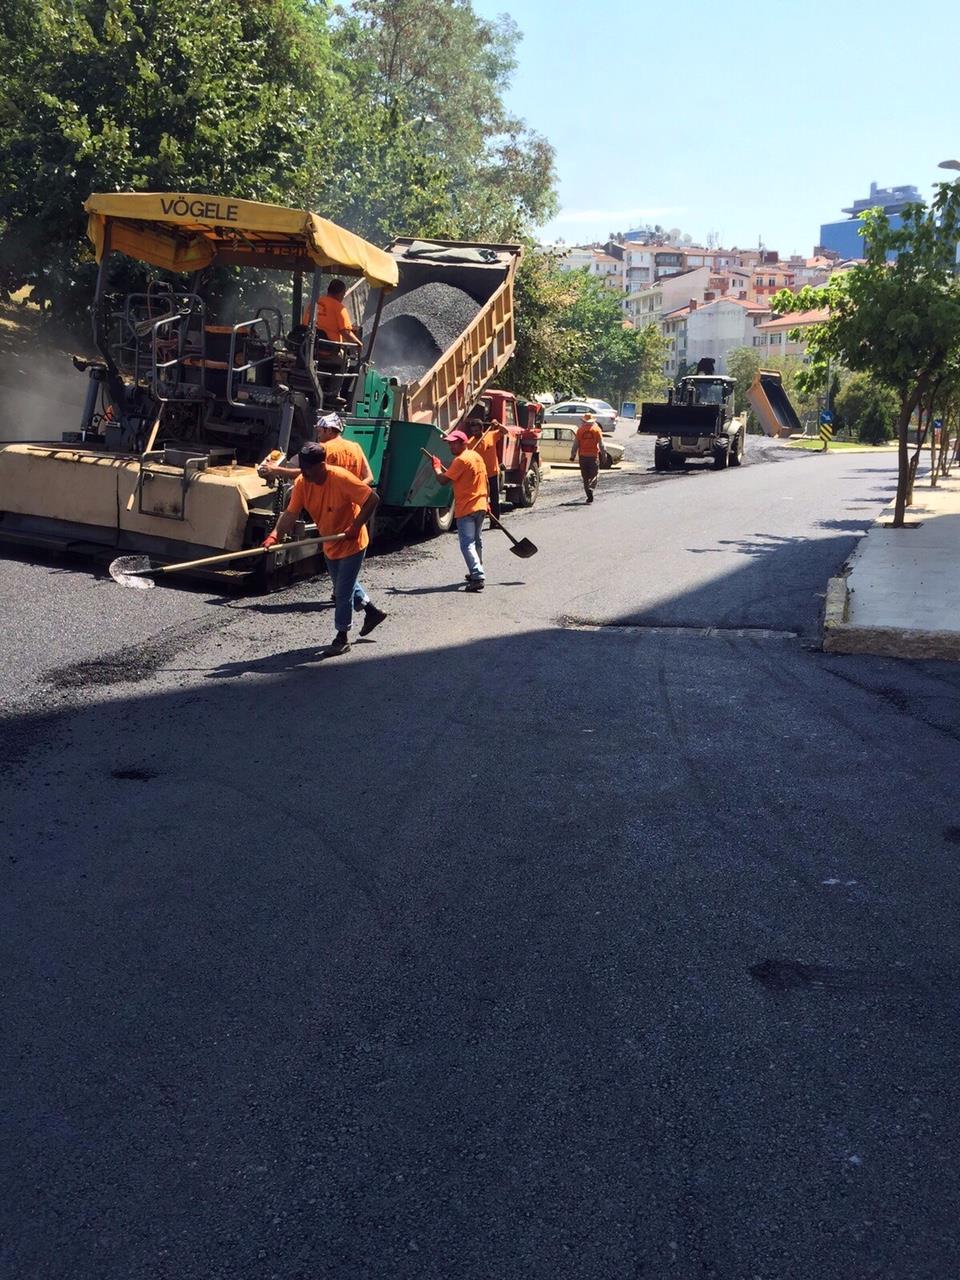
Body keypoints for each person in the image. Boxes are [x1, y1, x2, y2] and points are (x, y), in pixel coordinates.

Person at [261, 442, 385, 654]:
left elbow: (372, 499)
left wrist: (356, 526)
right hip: (330, 540)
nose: (305, 473)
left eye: (308, 469)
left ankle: (342, 636)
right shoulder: (302, 482)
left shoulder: (341, 478)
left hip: (352, 541)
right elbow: (290, 514)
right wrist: (275, 535)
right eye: (303, 469)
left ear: (321, 465)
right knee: (342, 585)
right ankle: (372, 612)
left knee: (342, 592)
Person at [261, 413, 377, 612]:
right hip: (355, 512)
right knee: (341, 572)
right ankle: (360, 604)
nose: (318, 433)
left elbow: (306, 474)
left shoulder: (324, 450)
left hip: (333, 515)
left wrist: (275, 470)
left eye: (321, 430)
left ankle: (348, 622)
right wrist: (352, 494)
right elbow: (369, 478)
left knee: (341, 572)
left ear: (330, 430)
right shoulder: (355, 448)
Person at [431, 429, 488, 592]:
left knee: (467, 544)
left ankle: (477, 576)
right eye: (449, 443)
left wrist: (436, 467)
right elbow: (486, 481)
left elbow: (443, 481)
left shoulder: (461, 460)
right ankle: (477, 570)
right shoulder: (477, 456)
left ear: (463, 443)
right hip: (481, 504)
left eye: (453, 443)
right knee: (477, 540)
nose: (450, 446)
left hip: (467, 508)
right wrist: (487, 501)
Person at [302, 280, 362, 349]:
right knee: (344, 357)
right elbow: (346, 332)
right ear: (341, 294)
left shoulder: (314, 303)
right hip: (328, 350)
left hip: (308, 348)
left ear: (328, 291)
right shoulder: (339, 308)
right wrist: (358, 343)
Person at [467, 413, 506, 521]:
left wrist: (498, 425)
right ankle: (478, 520)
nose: (475, 433)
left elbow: (505, 431)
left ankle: (495, 522)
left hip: (493, 473)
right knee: (481, 499)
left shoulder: (491, 435)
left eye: (476, 431)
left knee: (495, 498)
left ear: (481, 429)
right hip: (480, 476)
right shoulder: (470, 444)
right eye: (473, 431)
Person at [569, 410, 605, 503]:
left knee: (585, 477)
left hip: (582, 457)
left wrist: (572, 455)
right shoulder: (597, 430)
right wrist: (604, 455)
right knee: (594, 475)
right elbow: (601, 445)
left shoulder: (580, 430)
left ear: (584, 421)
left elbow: (575, 445)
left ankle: (589, 495)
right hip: (593, 457)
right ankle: (591, 488)